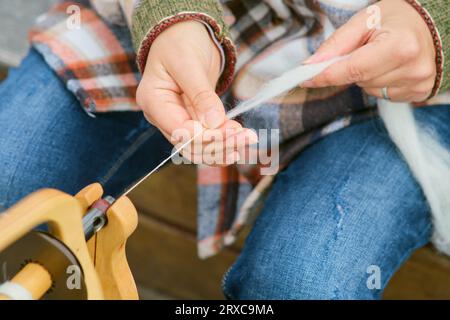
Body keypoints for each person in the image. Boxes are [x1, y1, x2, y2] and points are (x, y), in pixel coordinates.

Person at [0, 0, 449, 299]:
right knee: (8, 190)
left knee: (299, 286)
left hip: (394, 90)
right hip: (163, 19)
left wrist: (438, 27)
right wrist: (170, 14)